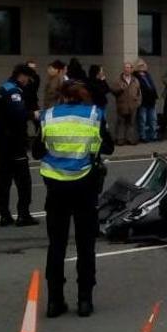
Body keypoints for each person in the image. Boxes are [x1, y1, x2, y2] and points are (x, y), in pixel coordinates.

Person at [33, 81, 113, 318]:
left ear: (61, 96)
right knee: (85, 245)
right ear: (83, 96)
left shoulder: (48, 116)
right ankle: (85, 301)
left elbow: (37, 151)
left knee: (56, 246)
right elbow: (108, 147)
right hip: (85, 186)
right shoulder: (94, 114)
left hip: (56, 188)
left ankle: (55, 302)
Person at [0, 64, 39, 227]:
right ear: (22, 76)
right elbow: (18, 115)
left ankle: (4, 215)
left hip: (0, 141)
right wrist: (34, 114)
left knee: (3, 179)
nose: (27, 82)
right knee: (23, 180)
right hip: (14, 142)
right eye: (28, 78)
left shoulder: (2, 88)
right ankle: (23, 214)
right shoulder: (14, 92)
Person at [111, 62, 141, 145]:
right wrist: (120, 88)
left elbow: (139, 93)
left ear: (131, 69)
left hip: (133, 105)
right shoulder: (118, 80)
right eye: (125, 67)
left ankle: (130, 139)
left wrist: (138, 102)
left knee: (132, 123)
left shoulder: (135, 80)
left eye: (128, 68)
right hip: (122, 105)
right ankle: (120, 139)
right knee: (121, 123)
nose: (127, 69)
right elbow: (113, 91)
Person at [134, 59, 159, 142]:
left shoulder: (147, 75)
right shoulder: (136, 76)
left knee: (153, 119)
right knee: (142, 120)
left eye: (143, 65)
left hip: (151, 101)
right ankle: (143, 136)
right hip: (143, 101)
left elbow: (152, 87)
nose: (143, 66)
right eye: (140, 65)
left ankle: (153, 135)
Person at [23, 60, 41, 134]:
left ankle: (38, 134)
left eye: (34, 67)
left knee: (37, 119)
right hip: (24, 101)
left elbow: (34, 88)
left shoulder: (36, 77)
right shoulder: (23, 77)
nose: (32, 69)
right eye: (30, 67)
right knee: (22, 120)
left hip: (33, 101)